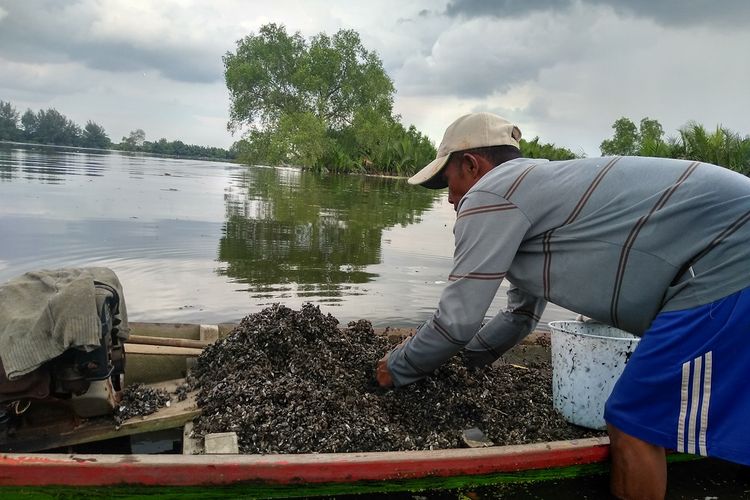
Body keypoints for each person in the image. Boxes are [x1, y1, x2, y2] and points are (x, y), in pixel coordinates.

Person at [375, 112, 750, 499]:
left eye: (448, 182)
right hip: (731, 241)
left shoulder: (488, 194)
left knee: (634, 420)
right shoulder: (539, 189)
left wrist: (394, 369)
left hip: (728, 258)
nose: (451, 198)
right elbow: (521, 317)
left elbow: (456, 323)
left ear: (471, 165)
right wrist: (466, 363)